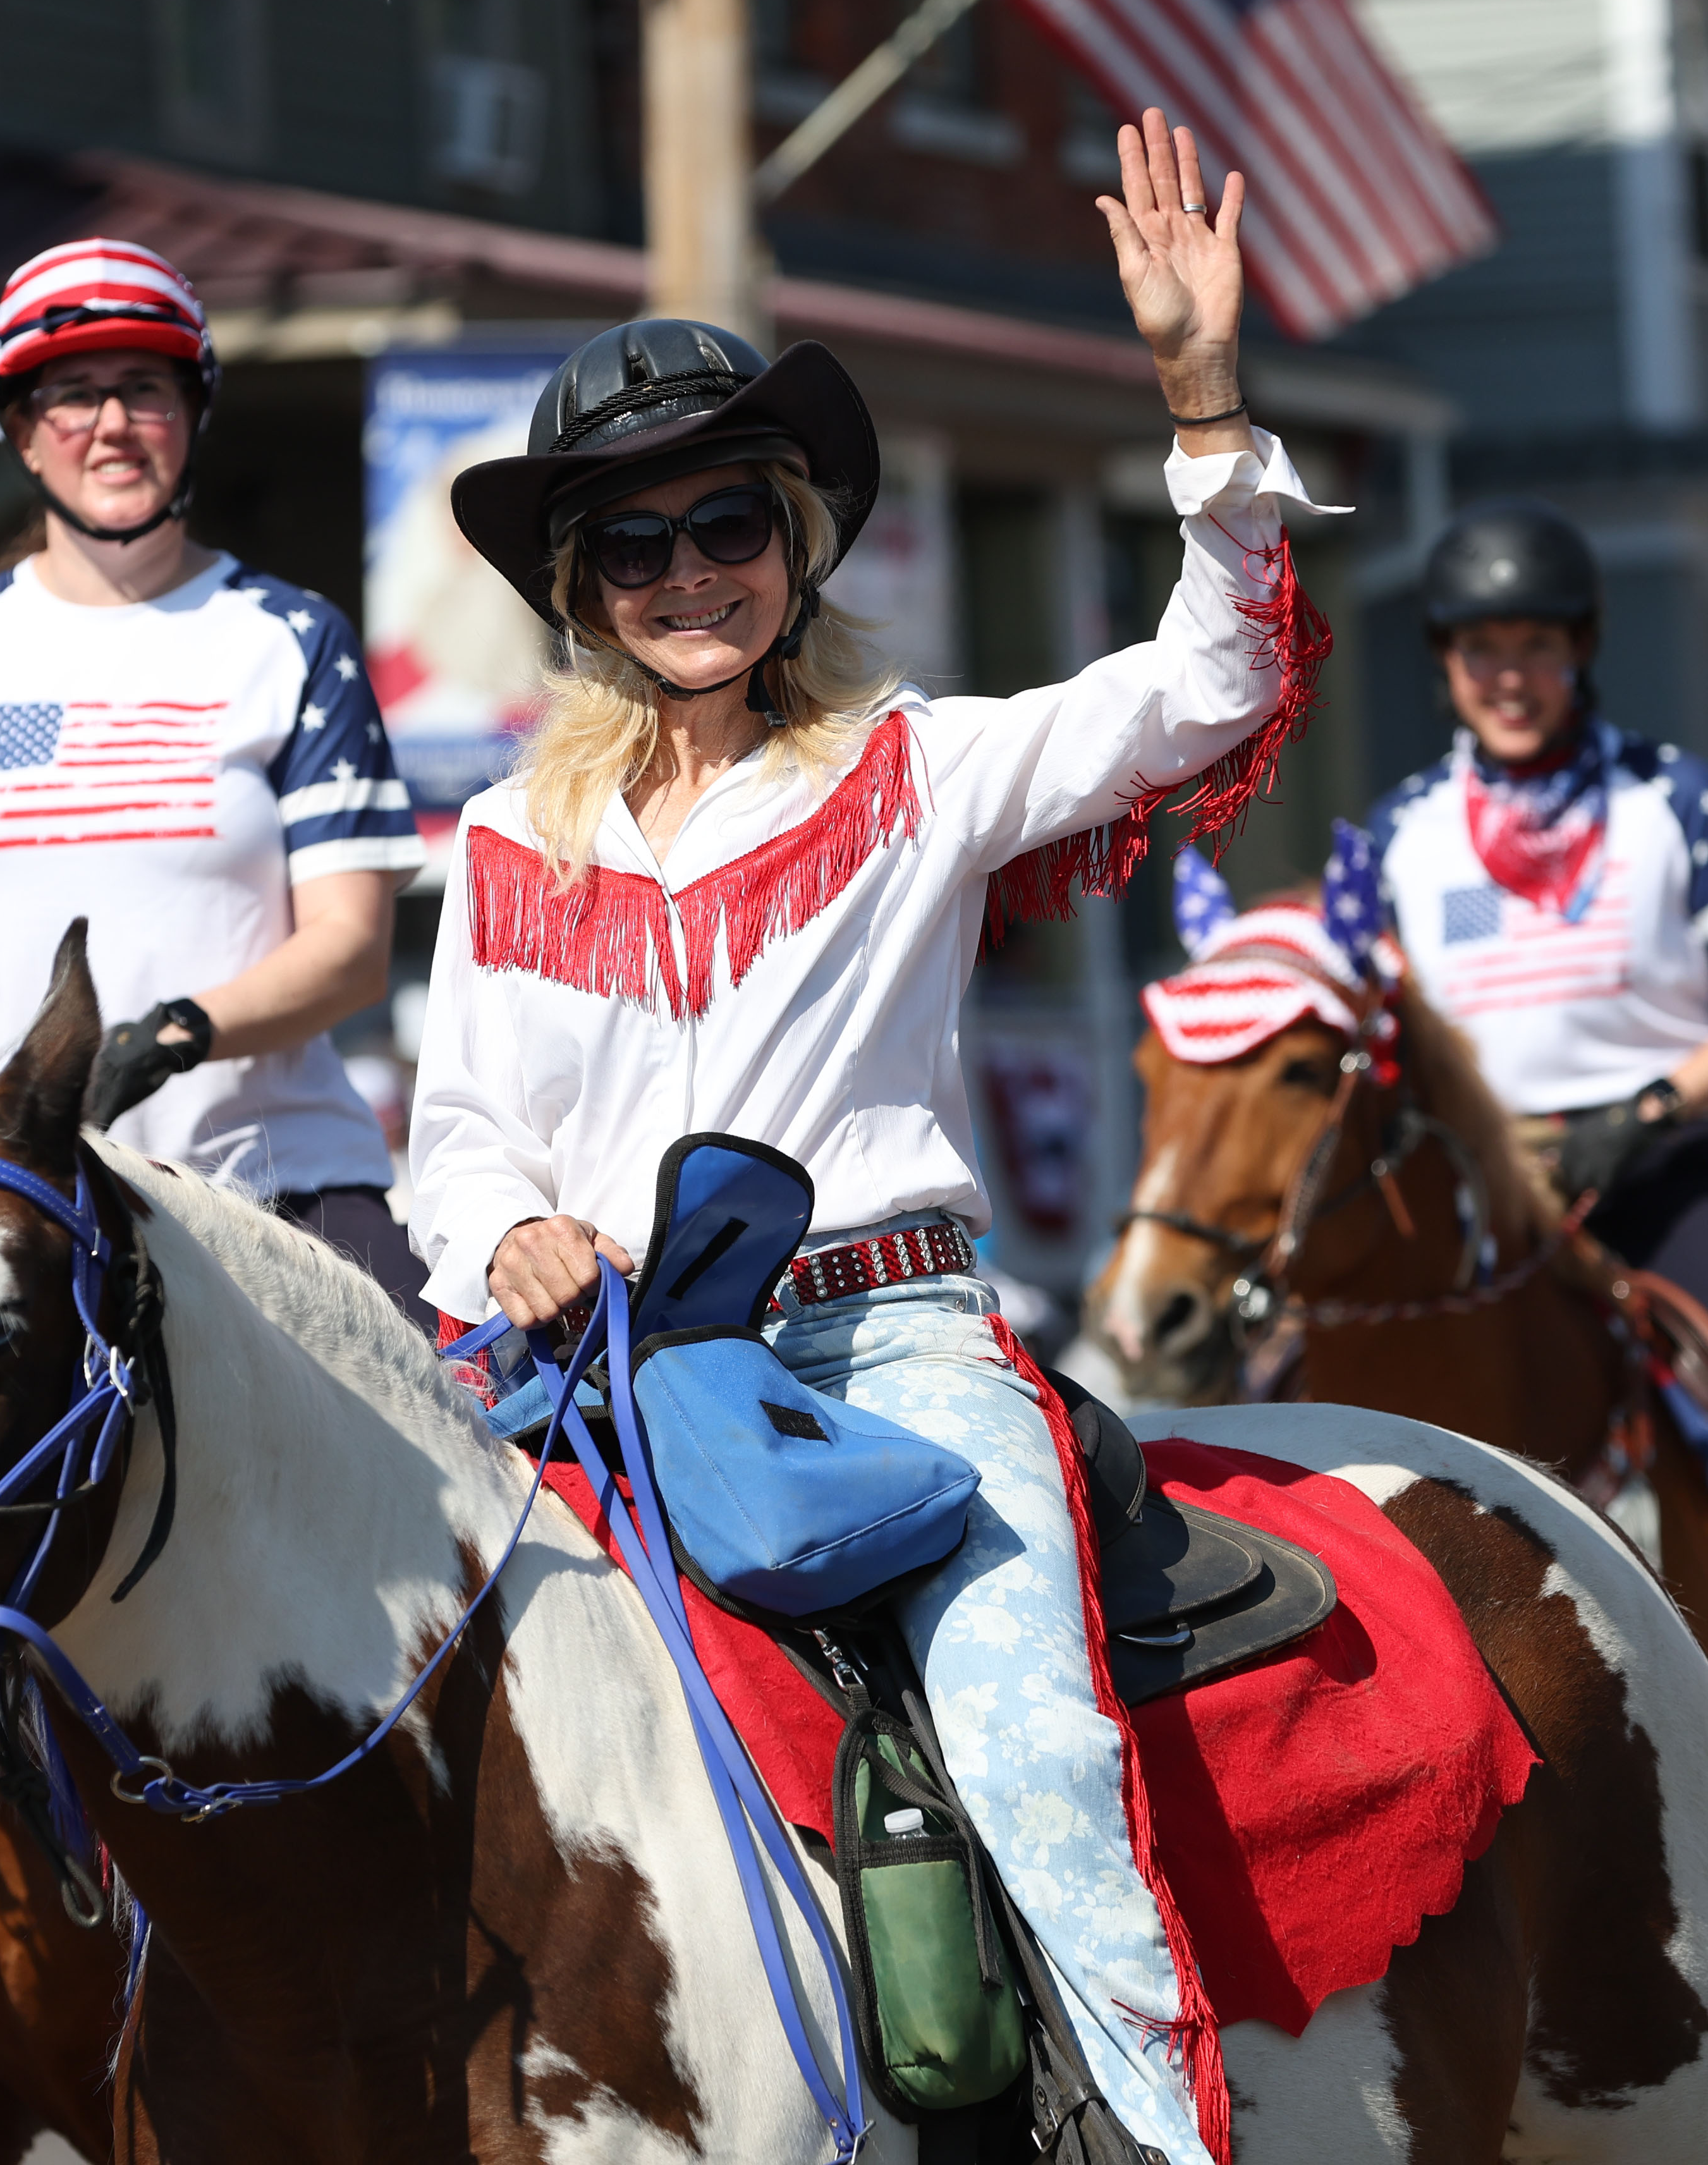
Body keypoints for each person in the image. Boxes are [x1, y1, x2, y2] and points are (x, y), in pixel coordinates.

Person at [408, 113, 1322, 2165]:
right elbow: (455, 1132)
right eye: (628, 546)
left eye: (721, 519)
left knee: (1032, 1751)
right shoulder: (491, 837)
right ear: (578, 590)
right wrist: (507, 1234)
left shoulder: (919, 767)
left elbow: (1212, 676)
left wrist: (1195, 390)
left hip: (889, 1346)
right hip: (594, 1374)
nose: (681, 575)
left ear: (794, 538)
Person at [1365, 496, 1708, 1865]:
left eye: (1537, 647)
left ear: (1585, 650)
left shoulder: (1672, 798)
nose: (1510, 676)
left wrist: (1652, 1105)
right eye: (1482, 649)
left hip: (1668, 1171)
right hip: (1491, 1203)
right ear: (1444, 662)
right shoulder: (1396, 832)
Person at [0, 237, 432, 1315]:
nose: (110, 424)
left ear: (191, 415)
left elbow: (349, 948)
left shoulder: (290, 637)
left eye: (144, 390)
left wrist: (175, 1029)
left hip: (268, 1190)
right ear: (20, 430)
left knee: (477, 1430)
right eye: (72, 395)